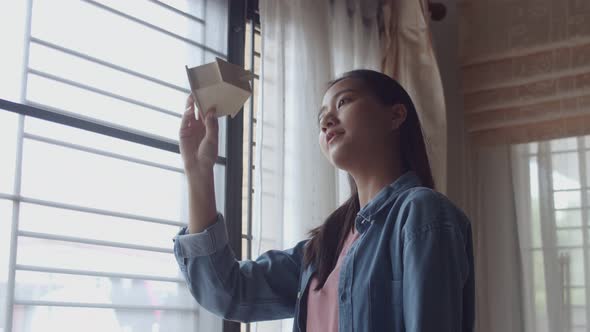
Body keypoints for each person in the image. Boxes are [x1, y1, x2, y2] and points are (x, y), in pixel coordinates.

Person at [173, 69, 475, 332]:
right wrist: (199, 172)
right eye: (321, 117)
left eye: (343, 102)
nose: (327, 120)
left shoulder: (422, 214)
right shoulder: (325, 246)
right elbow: (229, 293)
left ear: (395, 115)